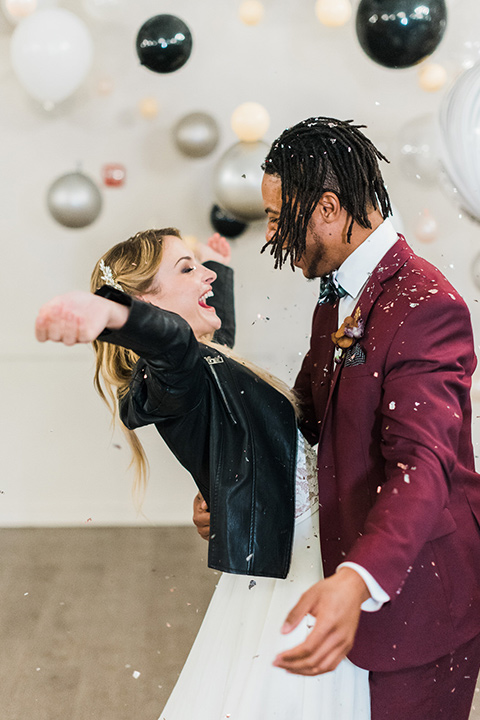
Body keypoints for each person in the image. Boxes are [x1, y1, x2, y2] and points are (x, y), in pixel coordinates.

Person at [195, 116, 480, 718]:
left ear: (327, 206)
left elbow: (423, 464)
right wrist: (234, 485)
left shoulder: (427, 306)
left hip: (419, 598)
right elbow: (306, 417)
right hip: (341, 571)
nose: (271, 235)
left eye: (278, 217)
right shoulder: (340, 295)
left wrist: (357, 579)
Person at [35, 227, 371, 719]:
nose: (205, 274)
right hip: (290, 564)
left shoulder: (208, 361)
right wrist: (112, 313)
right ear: (145, 307)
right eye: (187, 269)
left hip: (305, 552)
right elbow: (171, 341)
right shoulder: (172, 374)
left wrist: (219, 268)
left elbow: (214, 337)